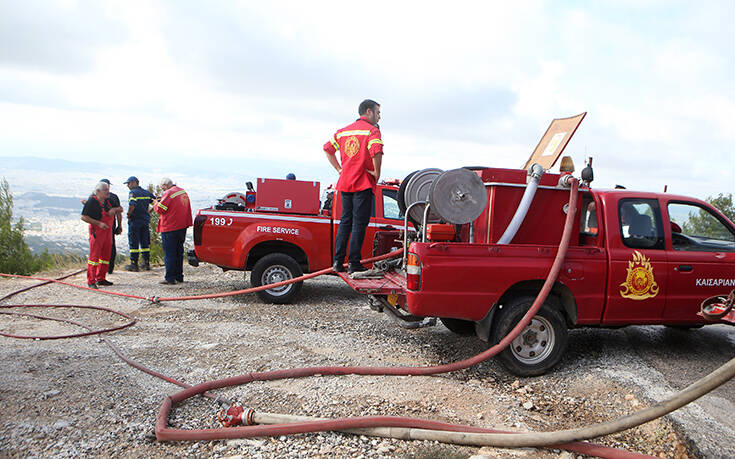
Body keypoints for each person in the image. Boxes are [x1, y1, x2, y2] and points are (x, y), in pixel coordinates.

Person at [323, 99, 384, 274]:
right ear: (368, 111)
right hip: (362, 183)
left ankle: (337, 261)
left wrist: (338, 169)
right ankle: (354, 262)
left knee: (345, 222)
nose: (379, 117)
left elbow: (327, 148)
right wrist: (377, 173)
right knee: (359, 223)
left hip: (345, 183)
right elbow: (376, 150)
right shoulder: (372, 131)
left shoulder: (343, 132)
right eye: (378, 112)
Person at [81, 181, 123, 289]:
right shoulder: (92, 201)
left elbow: (120, 209)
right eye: (105, 190)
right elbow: (84, 217)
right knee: (94, 257)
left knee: (106, 256)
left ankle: (101, 278)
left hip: (108, 232)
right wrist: (98, 223)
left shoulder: (109, 200)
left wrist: (114, 209)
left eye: (108, 190)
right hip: (97, 232)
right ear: (98, 191)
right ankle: (91, 280)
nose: (107, 192)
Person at [152, 177, 192, 285]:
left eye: (162, 188)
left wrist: (156, 203)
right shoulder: (181, 191)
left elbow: (160, 209)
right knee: (179, 252)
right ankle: (179, 276)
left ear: (165, 186)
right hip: (181, 226)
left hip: (170, 227)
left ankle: (169, 277)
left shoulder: (169, 193)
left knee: (170, 253)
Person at [123, 176, 156, 271]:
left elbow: (132, 205)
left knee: (134, 242)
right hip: (145, 221)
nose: (128, 186)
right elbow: (156, 202)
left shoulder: (133, 193)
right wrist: (149, 212)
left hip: (135, 220)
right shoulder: (146, 192)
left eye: (128, 183)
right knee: (145, 242)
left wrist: (129, 214)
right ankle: (146, 263)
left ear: (134, 182)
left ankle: (134, 264)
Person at [99, 179, 122, 274]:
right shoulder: (114, 197)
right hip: (110, 225)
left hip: (99, 226)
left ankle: (100, 269)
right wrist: (119, 226)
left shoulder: (95, 197)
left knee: (100, 247)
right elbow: (119, 213)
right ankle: (109, 268)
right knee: (111, 246)